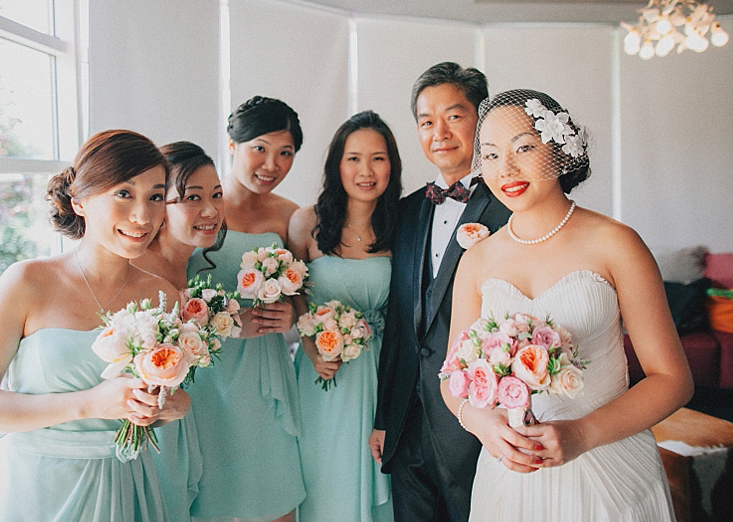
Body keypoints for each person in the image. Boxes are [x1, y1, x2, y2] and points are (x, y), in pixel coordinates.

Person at [443, 89, 693, 521]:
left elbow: (673, 379)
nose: (507, 169)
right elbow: (452, 377)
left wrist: (582, 433)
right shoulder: (477, 259)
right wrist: (481, 424)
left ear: (559, 150)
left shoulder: (617, 243)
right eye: (491, 155)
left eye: (524, 148)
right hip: (511, 474)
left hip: (609, 469)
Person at [0, 129, 191, 521]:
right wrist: (89, 404)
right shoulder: (26, 283)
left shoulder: (162, 297)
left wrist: (170, 406)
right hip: (40, 491)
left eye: (156, 197)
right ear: (79, 201)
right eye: (123, 194)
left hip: (128, 485)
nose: (142, 216)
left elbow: (159, 399)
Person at [372, 62, 511, 521]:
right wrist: (384, 416)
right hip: (407, 417)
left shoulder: (511, 207)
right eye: (426, 121)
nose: (440, 132)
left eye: (454, 116)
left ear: (482, 119)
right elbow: (400, 320)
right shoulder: (408, 210)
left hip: (478, 414)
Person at [185, 96, 306, 522]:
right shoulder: (197, 207)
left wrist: (292, 314)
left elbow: (305, 294)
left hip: (262, 372)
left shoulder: (291, 217)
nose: (272, 164)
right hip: (205, 372)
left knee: (273, 497)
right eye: (260, 147)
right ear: (232, 144)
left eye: (285, 153)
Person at [288, 110, 401, 522]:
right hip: (322, 372)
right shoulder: (306, 223)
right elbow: (296, 293)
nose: (366, 170)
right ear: (337, 164)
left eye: (378, 158)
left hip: (381, 373)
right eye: (354, 158)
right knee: (322, 481)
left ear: (392, 164)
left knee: (381, 478)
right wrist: (312, 343)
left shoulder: (403, 227)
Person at [133, 141, 223, 520]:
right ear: (159, 206)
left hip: (184, 428)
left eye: (217, 194)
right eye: (191, 197)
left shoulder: (197, 272)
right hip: (144, 438)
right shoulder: (135, 272)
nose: (210, 210)